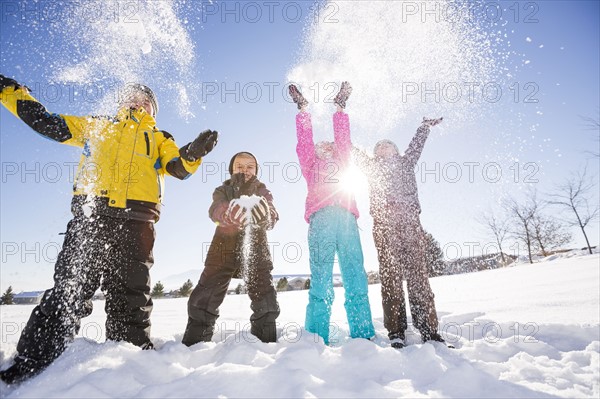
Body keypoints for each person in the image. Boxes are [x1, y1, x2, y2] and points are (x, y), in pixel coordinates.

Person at [0, 75, 219, 384]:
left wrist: (192, 153)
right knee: (70, 289)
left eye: (147, 101)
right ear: (120, 102)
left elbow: (177, 168)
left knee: (132, 293)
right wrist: (11, 93)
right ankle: (32, 360)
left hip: (137, 223)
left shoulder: (159, 138)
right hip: (92, 218)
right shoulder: (97, 126)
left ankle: (129, 361)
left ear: (153, 111)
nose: (139, 101)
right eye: (133, 96)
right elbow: (46, 123)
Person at [290, 82, 375, 345]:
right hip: (321, 218)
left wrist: (339, 108)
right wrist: (303, 110)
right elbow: (304, 142)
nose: (325, 145)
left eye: (330, 144)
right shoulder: (310, 164)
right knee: (321, 279)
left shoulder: (343, 160)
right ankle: (316, 336)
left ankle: (363, 334)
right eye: (320, 145)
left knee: (355, 276)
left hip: (347, 218)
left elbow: (343, 140)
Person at [352, 117, 445, 349]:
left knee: (418, 277)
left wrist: (423, 127)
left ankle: (429, 330)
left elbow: (416, 145)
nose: (383, 148)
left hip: (410, 223)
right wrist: (341, 139)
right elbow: (354, 152)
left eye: (388, 144)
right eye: (379, 147)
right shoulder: (371, 167)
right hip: (384, 226)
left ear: (396, 149)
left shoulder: (405, 162)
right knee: (390, 278)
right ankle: (396, 331)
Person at [182, 151, 280, 345]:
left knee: (266, 301)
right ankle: (194, 346)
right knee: (204, 299)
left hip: (256, 251)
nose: (245, 170)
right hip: (222, 250)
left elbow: (273, 214)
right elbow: (215, 210)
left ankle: (265, 346)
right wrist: (226, 214)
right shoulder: (222, 190)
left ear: (256, 170)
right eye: (239, 166)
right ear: (231, 169)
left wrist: (267, 215)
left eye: (250, 166)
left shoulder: (262, 191)